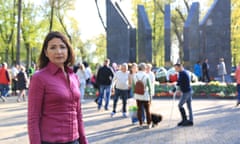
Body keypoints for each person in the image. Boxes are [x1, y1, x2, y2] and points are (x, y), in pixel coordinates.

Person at [28, 31, 88, 144]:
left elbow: (78, 113)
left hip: (75, 140)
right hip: (50, 141)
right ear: (46, 52)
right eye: (53, 47)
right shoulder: (39, 78)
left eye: (62, 47)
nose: (58, 52)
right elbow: (33, 118)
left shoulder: (74, 77)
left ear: (68, 50)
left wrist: (84, 140)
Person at [132, 63, 152, 129]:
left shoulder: (135, 76)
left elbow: (133, 87)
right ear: (144, 68)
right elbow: (149, 87)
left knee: (139, 110)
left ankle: (140, 123)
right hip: (145, 95)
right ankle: (149, 124)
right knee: (147, 110)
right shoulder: (146, 76)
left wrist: (134, 95)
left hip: (137, 95)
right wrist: (150, 96)